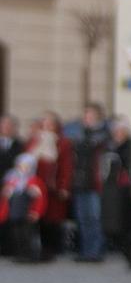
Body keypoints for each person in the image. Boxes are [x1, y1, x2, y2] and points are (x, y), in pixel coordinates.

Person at [26, 111, 73, 260]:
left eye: (50, 123)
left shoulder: (63, 143)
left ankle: (51, 249)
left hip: (53, 186)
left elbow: (67, 166)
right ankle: (37, 248)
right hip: (37, 186)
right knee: (37, 217)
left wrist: (64, 185)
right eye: (45, 123)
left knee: (52, 220)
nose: (47, 126)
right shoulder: (35, 141)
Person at [71, 102, 110, 262]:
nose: (86, 118)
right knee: (82, 219)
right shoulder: (80, 135)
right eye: (85, 115)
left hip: (95, 182)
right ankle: (86, 250)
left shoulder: (103, 136)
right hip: (80, 182)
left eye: (89, 115)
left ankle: (96, 251)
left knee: (95, 218)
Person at [101, 117, 131, 269]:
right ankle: (122, 249)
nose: (118, 134)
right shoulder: (109, 146)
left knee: (126, 223)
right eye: (116, 131)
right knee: (112, 224)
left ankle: (129, 254)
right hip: (110, 189)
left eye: (121, 131)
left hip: (125, 188)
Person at [0, 152, 47, 262]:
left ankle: (31, 254)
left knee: (28, 234)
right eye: (20, 166)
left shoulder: (34, 181)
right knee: (17, 234)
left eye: (25, 166)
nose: (22, 168)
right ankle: (20, 253)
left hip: (27, 212)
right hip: (15, 212)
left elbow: (40, 199)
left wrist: (36, 211)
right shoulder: (13, 180)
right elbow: (6, 196)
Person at [0, 114, 24, 255]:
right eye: (3, 125)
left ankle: (10, 247)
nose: (6, 128)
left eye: (9, 125)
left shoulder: (20, 145)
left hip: (12, 185)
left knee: (10, 216)